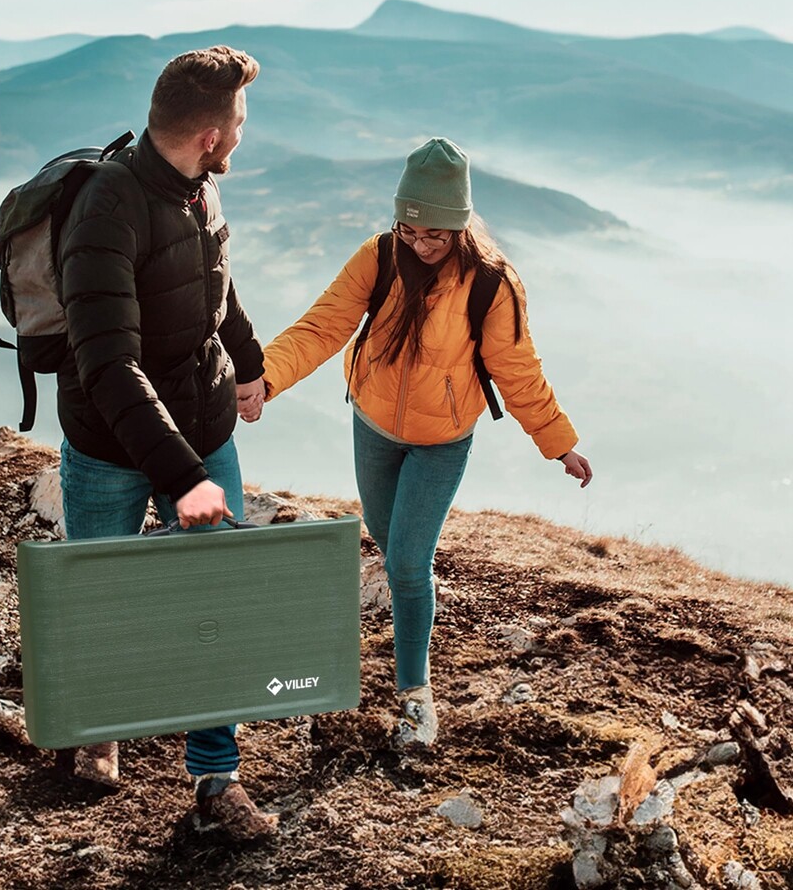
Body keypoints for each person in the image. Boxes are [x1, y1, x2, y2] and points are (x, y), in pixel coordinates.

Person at [238, 137, 592, 749]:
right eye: (410, 230)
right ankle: (415, 612)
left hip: (442, 441)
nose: (421, 245)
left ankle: (415, 692)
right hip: (372, 425)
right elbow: (324, 325)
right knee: (386, 537)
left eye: (434, 235)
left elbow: (517, 369)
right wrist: (266, 378)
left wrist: (557, 442)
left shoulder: (491, 283)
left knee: (405, 561)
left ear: (460, 227)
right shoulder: (378, 257)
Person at [56, 45, 278, 839]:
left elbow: (214, 283)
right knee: (102, 595)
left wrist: (247, 368)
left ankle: (217, 782)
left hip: (204, 421)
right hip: (111, 443)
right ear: (212, 136)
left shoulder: (198, 190)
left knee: (213, 603)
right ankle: (96, 735)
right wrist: (185, 478)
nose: (244, 136)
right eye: (241, 123)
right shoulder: (107, 210)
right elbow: (108, 365)